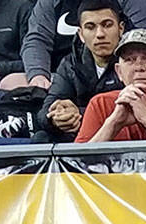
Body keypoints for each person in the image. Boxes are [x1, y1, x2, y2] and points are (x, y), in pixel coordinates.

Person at [38, 0, 124, 140]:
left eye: (107, 25)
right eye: (90, 27)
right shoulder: (70, 64)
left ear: (121, 29)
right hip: (80, 133)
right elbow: (45, 110)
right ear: (81, 34)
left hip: (123, 134)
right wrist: (56, 117)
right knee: (41, 137)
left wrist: (79, 113)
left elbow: (138, 108)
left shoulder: (134, 60)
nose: (100, 34)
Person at [21, 0, 146, 89]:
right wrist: (38, 75)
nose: (100, 33)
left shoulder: (133, 2)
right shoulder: (50, 3)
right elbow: (37, 40)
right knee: (13, 83)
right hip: (60, 76)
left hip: (118, 77)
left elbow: (141, 41)